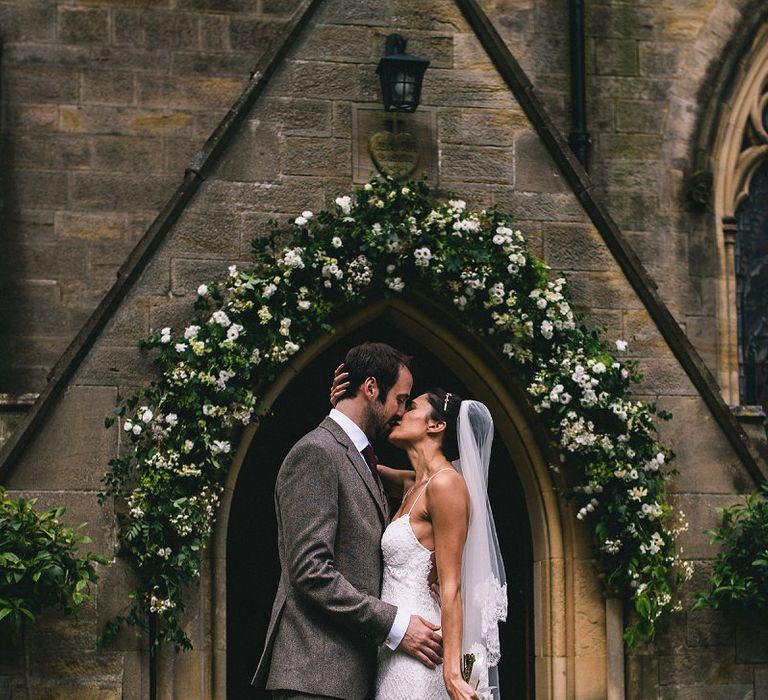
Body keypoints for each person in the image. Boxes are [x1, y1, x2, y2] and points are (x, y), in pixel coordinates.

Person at [252, 342, 444, 700]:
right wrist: (397, 626)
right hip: (315, 677)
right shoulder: (315, 453)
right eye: (400, 400)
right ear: (371, 388)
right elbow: (311, 571)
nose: (401, 412)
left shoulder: (357, 457)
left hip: (347, 675)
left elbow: (425, 483)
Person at [330, 374, 508, 700]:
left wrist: (452, 673)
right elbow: (349, 459)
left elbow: (452, 586)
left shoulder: (446, 485)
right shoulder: (413, 484)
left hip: (423, 647)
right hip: (394, 645)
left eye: (410, 407)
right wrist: (343, 409)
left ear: (435, 426)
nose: (399, 413)